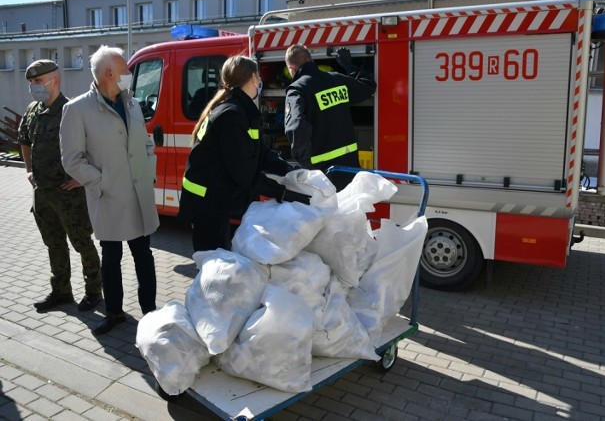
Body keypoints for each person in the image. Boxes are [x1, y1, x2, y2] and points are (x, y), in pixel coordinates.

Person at [60, 45, 160, 335]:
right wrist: (101, 182)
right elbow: (72, 160)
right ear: (109, 73)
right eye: (125, 69)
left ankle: (150, 312)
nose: (129, 74)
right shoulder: (77, 110)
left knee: (144, 255)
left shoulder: (132, 103)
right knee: (111, 256)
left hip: (139, 194)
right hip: (109, 198)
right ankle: (114, 312)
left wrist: (147, 172)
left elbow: (147, 144)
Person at [179, 55, 307, 253]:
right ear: (252, 77)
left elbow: (258, 151)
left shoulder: (238, 109)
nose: (259, 81)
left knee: (218, 262)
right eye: (257, 76)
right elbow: (243, 172)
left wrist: (287, 169)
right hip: (207, 203)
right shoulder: (232, 115)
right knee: (212, 268)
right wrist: (283, 192)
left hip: (212, 200)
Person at [17, 60, 103, 313]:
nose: (33, 87)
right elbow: (24, 140)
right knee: (54, 243)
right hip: (42, 194)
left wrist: (83, 177)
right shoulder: (33, 109)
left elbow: (94, 147)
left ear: (53, 81)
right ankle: (61, 291)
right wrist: (29, 169)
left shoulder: (72, 109)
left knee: (81, 243)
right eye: (31, 83)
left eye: (37, 82)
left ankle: (93, 291)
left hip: (69, 195)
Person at [284, 44, 377, 190]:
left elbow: (295, 126)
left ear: (292, 69)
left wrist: (305, 165)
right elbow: (368, 86)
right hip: (351, 170)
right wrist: (349, 65)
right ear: (311, 60)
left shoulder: (297, 89)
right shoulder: (337, 80)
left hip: (323, 176)